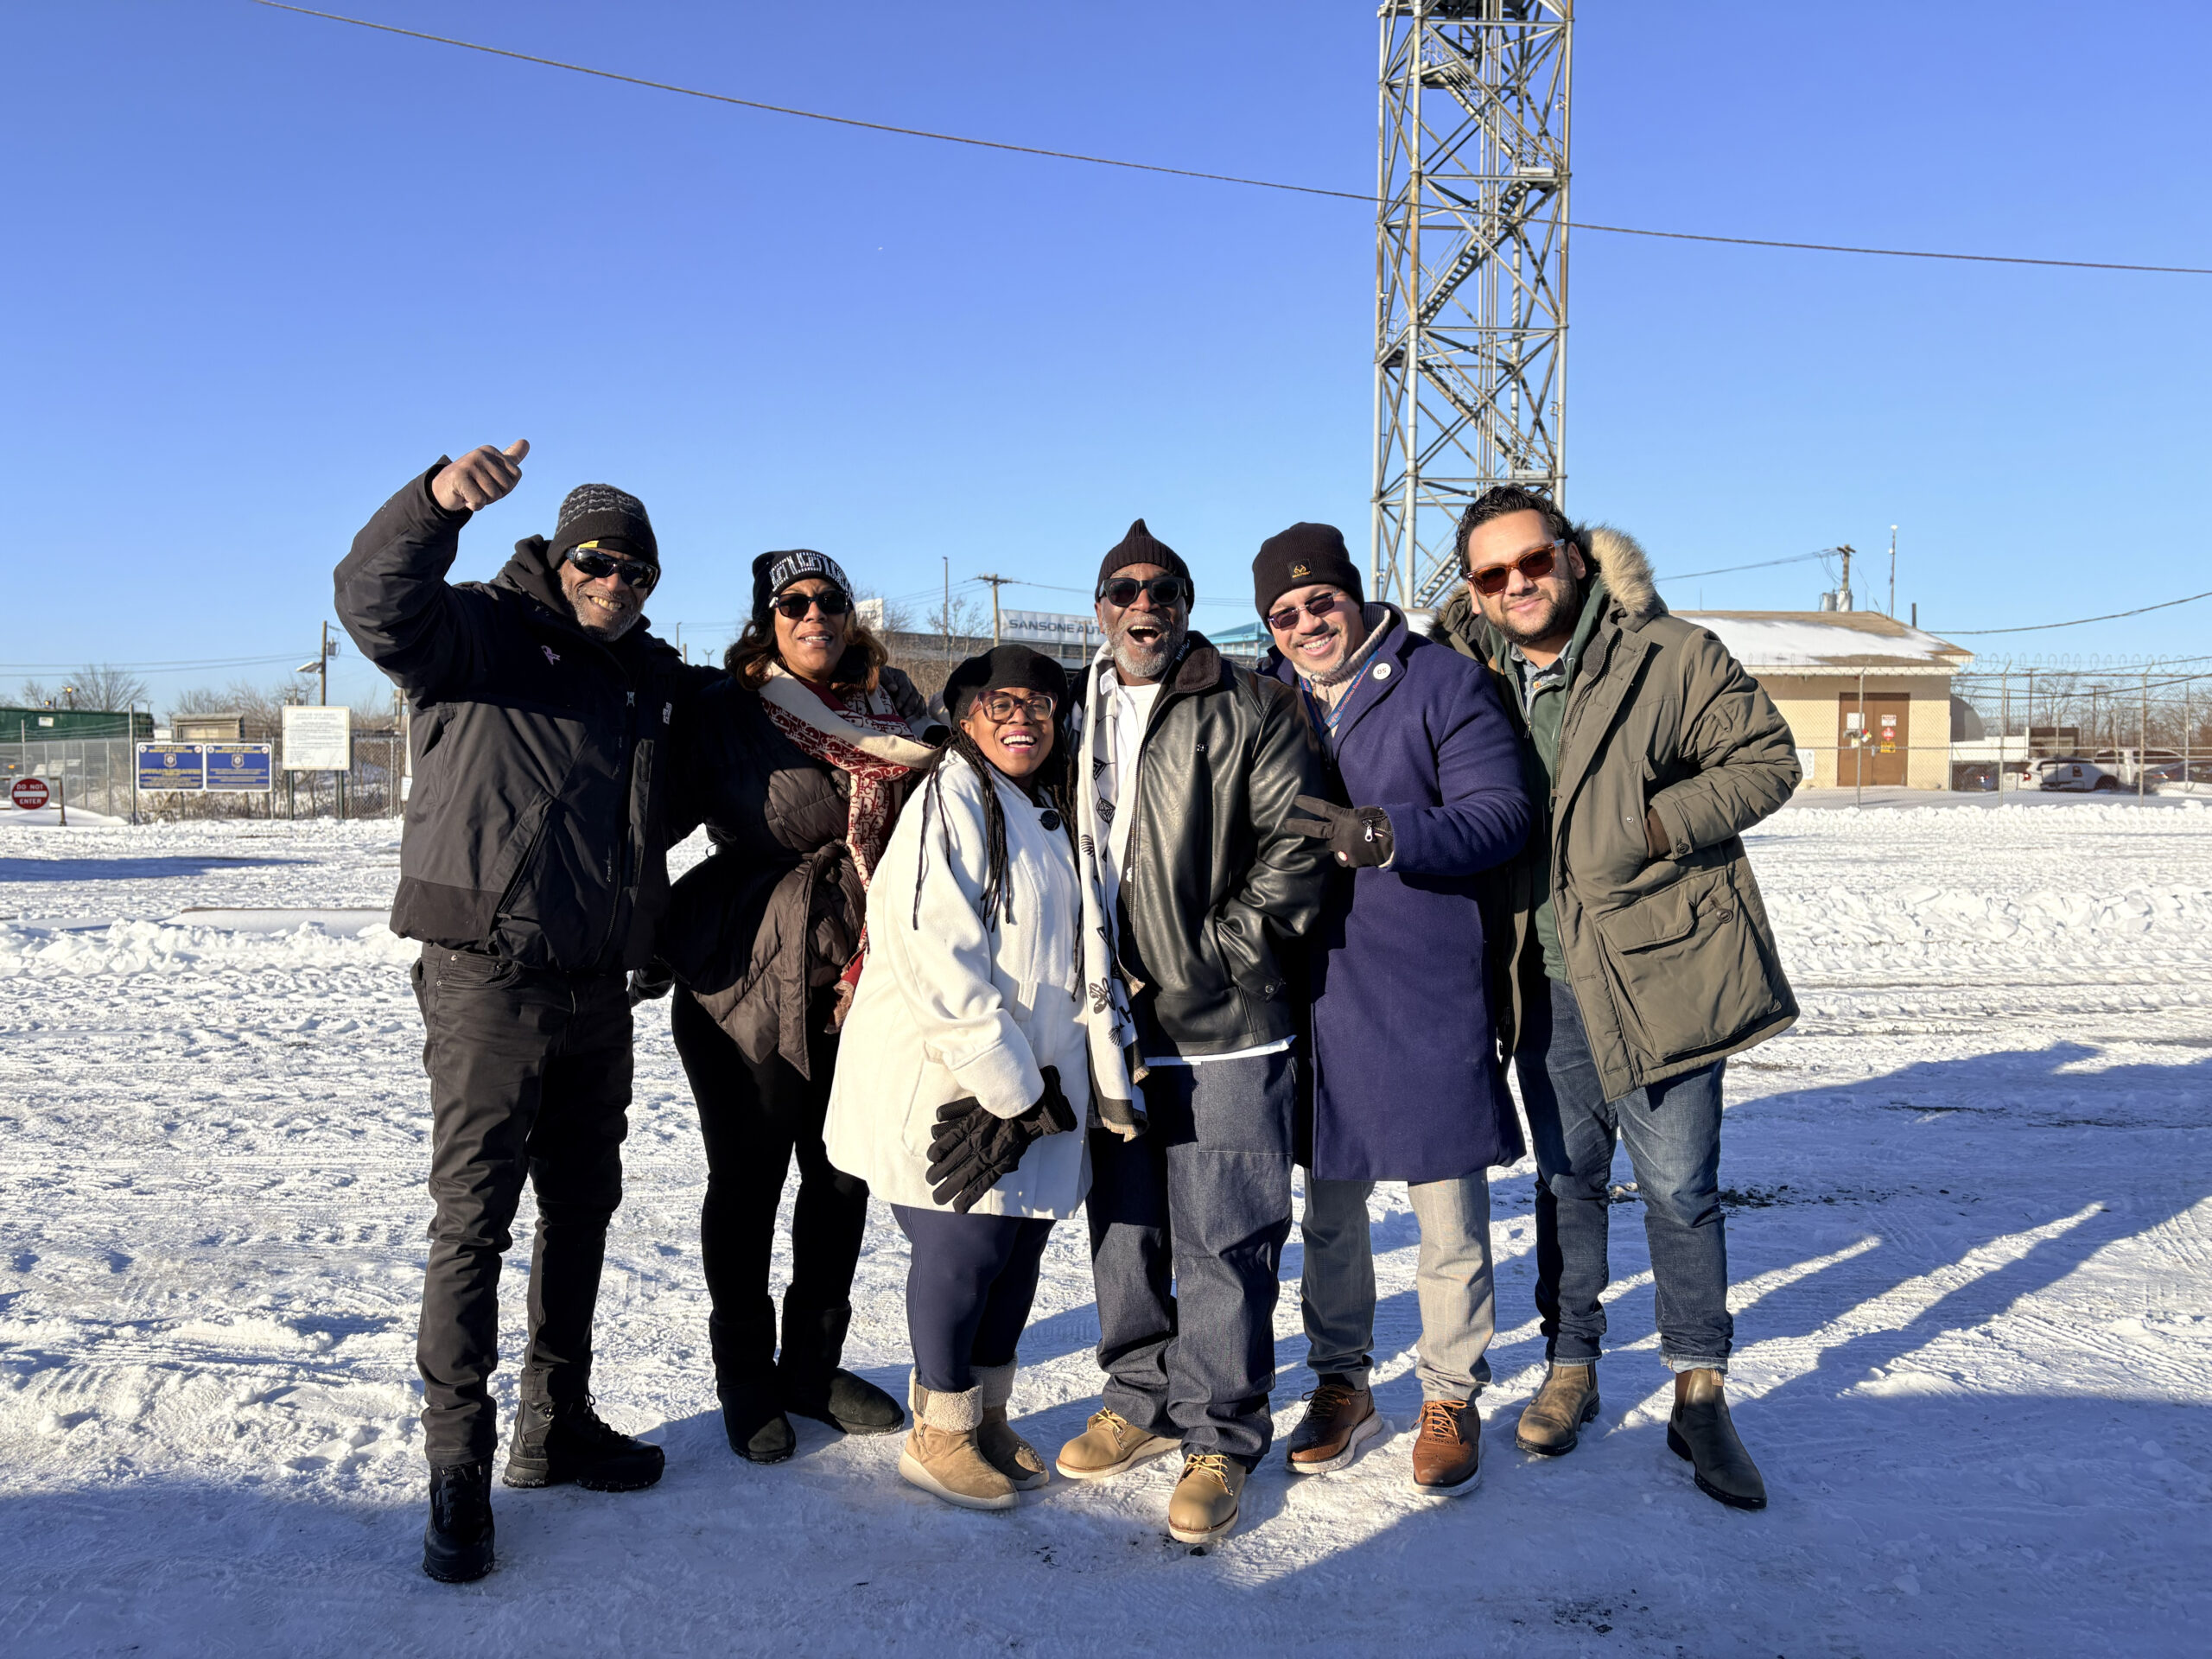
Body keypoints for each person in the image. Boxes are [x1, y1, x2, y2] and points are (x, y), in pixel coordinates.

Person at [334, 442, 694, 1584]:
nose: (616, 584)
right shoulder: (478, 631)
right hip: (487, 975)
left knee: (583, 1210)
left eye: (637, 572)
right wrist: (438, 501)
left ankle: (557, 1423)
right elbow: (371, 597)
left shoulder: (646, 676)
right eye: (597, 561)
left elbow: (748, 725)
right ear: (558, 554)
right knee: (475, 1222)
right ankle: (458, 1468)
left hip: (599, 985)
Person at [1430, 486, 1800, 1511]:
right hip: (1541, 974)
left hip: (1661, 965)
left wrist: (1651, 825)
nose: (1517, 585)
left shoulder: (1668, 654)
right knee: (1565, 1182)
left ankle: (1700, 1393)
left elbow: (1768, 760)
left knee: (1679, 1188)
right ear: (1473, 589)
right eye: (1491, 575)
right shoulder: (1467, 676)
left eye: (1532, 562)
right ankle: (1571, 1366)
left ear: (1575, 559)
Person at [1052, 518, 1330, 1546]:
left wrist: (1193, 960)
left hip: (1221, 1025)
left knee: (1223, 1234)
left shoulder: (1249, 707)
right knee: (1124, 1230)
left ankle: (1221, 1428)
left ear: (1185, 605)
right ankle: (1138, 1399)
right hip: (1104, 1028)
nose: (1144, 606)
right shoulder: (1066, 708)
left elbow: (1294, 858)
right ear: (1098, 607)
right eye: (1123, 589)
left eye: (1164, 591)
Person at [1249, 524, 1529, 1497]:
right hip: (1314, 988)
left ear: (1355, 595)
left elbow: (1502, 814)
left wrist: (1386, 835)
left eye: (1319, 600)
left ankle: (1451, 1390)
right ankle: (1343, 1382)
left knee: (1446, 1213)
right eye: (1282, 614)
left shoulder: (1441, 681)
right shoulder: (1266, 698)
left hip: (1422, 977)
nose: (1305, 622)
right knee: (1330, 1211)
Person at [823, 645, 1126, 1510]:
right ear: (964, 718)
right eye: (1000, 704)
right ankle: (938, 1433)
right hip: (954, 1077)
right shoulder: (946, 802)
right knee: (965, 1251)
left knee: (1018, 1248)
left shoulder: (1047, 807)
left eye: (1039, 703)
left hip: (1041, 1081)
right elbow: (934, 952)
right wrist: (1005, 1084)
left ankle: (987, 1415)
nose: (1022, 717)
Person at [657, 550, 938, 1465]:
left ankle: (812, 1368)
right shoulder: (723, 710)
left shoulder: (893, 708)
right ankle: (745, 1380)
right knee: (748, 1179)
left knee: (842, 1173)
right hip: (743, 972)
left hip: (862, 975)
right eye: (793, 603)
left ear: (851, 614)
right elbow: (635, 813)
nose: (812, 614)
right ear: (766, 617)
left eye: (829, 600)